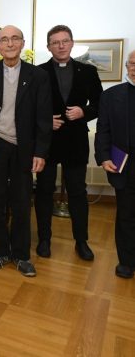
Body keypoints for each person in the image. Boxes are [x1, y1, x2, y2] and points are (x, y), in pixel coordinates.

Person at [0, 25, 51, 277]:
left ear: (22, 43)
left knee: (20, 203)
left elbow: (43, 118)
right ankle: (0, 252)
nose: (9, 43)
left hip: (23, 149)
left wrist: (40, 152)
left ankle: (21, 255)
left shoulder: (38, 76)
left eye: (14, 38)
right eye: (4, 39)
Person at [35, 25, 102, 261]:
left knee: (77, 192)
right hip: (46, 142)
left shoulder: (88, 71)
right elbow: (28, 108)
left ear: (72, 43)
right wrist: (44, 120)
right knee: (43, 191)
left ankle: (81, 241)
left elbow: (99, 104)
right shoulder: (38, 72)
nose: (61, 46)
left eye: (65, 41)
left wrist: (83, 112)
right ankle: (44, 240)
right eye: (55, 42)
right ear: (48, 47)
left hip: (75, 141)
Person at [95, 50, 135, 279]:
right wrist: (104, 157)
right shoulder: (111, 96)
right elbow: (104, 130)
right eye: (133, 63)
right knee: (126, 214)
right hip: (126, 165)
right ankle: (127, 262)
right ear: (127, 66)